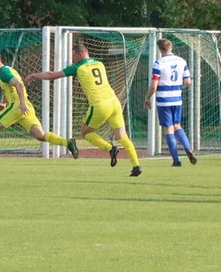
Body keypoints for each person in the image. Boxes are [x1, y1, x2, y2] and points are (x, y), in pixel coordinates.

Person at [26, 42, 142, 176]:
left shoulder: (78, 67)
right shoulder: (99, 63)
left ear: (81, 55)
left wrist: (34, 75)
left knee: (85, 133)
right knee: (123, 136)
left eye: (74, 57)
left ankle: (110, 148)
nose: (73, 60)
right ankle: (136, 166)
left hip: (100, 105)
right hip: (114, 102)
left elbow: (51, 75)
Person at [0, 51, 75, 166]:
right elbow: (13, 88)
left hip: (18, 106)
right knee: (40, 135)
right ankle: (68, 143)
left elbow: (18, 85)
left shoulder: (3, 72)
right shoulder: (8, 70)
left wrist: (21, 103)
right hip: (25, 106)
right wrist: (5, 103)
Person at [143, 38, 197, 167]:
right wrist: (180, 88)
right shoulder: (181, 61)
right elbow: (188, 81)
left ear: (160, 49)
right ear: (171, 47)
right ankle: (188, 148)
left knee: (169, 129)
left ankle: (176, 160)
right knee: (177, 125)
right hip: (177, 99)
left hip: (164, 100)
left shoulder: (159, 63)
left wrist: (147, 98)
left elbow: (153, 86)